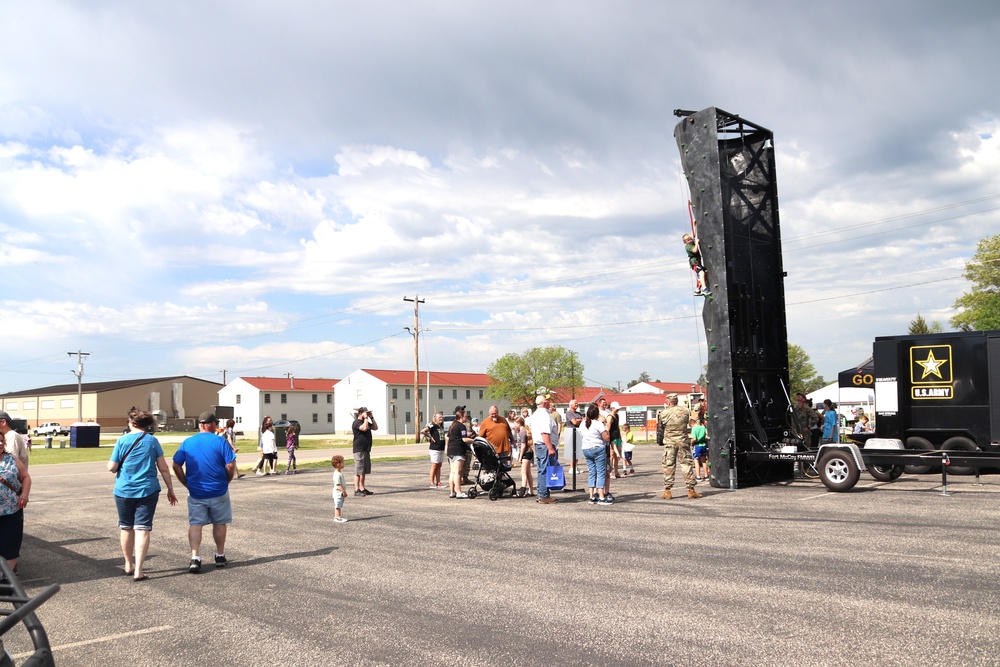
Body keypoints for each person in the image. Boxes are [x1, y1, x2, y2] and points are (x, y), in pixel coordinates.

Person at [107, 409, 178, 581]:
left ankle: (127, 564)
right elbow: (163, 467)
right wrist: (170, 488)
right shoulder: (152, 441)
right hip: (148, 490)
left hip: (124, 490)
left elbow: (111, 467)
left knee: (126, 527)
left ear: (131, 422)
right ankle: (139, 570)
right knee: (142, 529)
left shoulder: (122, 440)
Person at [172, 411, 237, 573]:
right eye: (214, 423)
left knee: (196, 523)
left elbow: (176, 465)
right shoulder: (220, 442)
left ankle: (195, 557)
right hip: (218, 489)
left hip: (196, 491)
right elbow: (230, 465)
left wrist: (186, 483)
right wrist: (226, 481)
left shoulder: (188, 442)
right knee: (220, 522)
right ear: (210, 424)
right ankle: (220, 555)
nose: (216, 426)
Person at [659, 394, 701, 500]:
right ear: (676, 401)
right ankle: (691, 490)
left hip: (670, 442)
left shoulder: (663, 413)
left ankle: (667, 491)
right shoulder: (685, 411)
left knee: (669, 466)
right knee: (686, 464)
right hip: (683, 441)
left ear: (668, 401)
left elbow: (661, 428)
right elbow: (690, 422)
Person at [0, 429, 30, 573]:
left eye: (2, 441)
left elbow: (25, 477)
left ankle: (7, 579)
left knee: (10, 547)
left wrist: (24, 494)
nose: (0, 443)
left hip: (12, 510)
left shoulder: (11, 459)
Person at [529, 394, 559, 505]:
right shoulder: (544, 415)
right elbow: (545, 433)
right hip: (544, 445)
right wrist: (550, 447)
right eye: (548, 399)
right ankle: (543, 495)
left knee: (542, 469)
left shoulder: (536, 414)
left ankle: (542, 493)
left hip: (540, 445)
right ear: (544, 402)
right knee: (545, 469)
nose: (550, 401)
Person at [580, 403, 611, 505]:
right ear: (597, 414)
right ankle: (602, 497)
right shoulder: (598, 424)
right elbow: (606, 437)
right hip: (597, 448)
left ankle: (591, 496)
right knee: (601, 472)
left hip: (586, 449)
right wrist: (606, 425)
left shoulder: (583, 424)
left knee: (592, 472)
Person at [447, 406, 473, 498]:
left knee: (453, 472)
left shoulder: (452, 425)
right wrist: (475, 440)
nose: (467, 417)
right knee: (458, 472)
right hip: (458, 451)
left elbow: (448, 438)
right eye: (465, 416)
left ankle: (452, 491)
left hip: (450, 451)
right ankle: (458, 492)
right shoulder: (462, 426)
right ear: (461, 417)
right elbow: (464, 439)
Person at [352, 407, 378, 496]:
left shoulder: (366, 421)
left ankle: (362, 488)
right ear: (361, 413)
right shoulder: (356, 422)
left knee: (363, 470)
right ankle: (356, 489)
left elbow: (375, 427)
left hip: (366, 449)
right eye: (365, 413)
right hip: (359, 450)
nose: (367, 414)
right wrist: (366, 418)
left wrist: (372, 418)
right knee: (358, 470)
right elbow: (363, 428)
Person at [683, 232, 712, 296]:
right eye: (687, 239)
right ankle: (704, 289)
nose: (690, 239)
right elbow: (695, 250)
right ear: (685, 242)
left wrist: (694, 224)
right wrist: (696, 243)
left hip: (697, 262)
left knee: (702, 277)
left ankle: (697, 290)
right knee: (701, 273)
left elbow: (693, 234)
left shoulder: (691, 242)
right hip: (695, 263)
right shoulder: (688, 246)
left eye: (690, 238)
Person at [422, 411, 446, 488]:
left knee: (439, 465)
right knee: (434, 465)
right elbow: (423, 431)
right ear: (435, 418)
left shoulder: (441, 426)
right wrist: (430, 436)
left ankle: (438, 482)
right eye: (439, 417)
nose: (441, 418)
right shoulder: (433, 425)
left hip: (441, 448)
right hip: (434, 448)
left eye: (442, 417)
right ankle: (432, 483)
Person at [563, 399, 583, 474]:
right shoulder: (569, 413)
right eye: (575, 403)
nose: (576, 405)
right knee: (573, 451)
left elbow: (583, 421)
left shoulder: (578, 413)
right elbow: (574, 422)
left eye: (577, 403)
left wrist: (579, 420)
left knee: (577, 450)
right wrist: (579, 420)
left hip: (578, 432)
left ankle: (576, 466)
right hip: (571, 433)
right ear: (570, 405)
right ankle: (572, 467)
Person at [514, 416, 533, 496]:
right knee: (528, 472)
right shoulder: (523, 430)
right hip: (528, 452)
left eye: (515, 424)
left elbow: (523, 445)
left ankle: (523, 489)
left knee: (523, 472)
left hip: (526, 453)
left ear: (518, 423)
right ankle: (531, 491)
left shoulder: (522, 432)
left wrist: (520, 456)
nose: (514, 426)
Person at [607, 402, 624, 480]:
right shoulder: (610, 417)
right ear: (612, 408)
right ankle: (610, 472)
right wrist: (609, 439)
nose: (618, 410)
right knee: (612, 455)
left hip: (617, 437)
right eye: (616, 409)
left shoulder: (616, 416)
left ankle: (616, 472)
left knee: (617, 456)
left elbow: (617, 427)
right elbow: (608, 429)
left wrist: (620, 437)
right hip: (612, 438)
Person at [689, 417, 709, 482]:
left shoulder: (694, 429)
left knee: (696, 461)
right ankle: (706, 476)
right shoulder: (703, 427)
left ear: (691, 425)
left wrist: (691, 442)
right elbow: (707, 434)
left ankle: (698, 476)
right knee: (704, 461)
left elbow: (694, 438)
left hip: (697, 446)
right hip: (703, 445)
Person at [331, 454, 348, 523]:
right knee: (338, 506)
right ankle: (337, 517)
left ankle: (339, 517)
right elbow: (338, 485)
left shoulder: (339, 473)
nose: (343, 464)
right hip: (338, 493)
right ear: (338, 464)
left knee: (340, 505)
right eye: (342, 462)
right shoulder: (337, 474)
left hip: (339, 493)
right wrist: (343, 491)